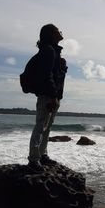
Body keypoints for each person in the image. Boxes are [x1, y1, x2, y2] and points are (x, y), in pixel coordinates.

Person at [28, 24, 67, 171]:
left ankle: (42, 155)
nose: (60, 31)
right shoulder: (49, 50)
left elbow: (56, 75)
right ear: (51, 34)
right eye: (57, 30)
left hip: (52, 95)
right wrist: (52, 96)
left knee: (46, 127)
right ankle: (33, 159)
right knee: (40, 126)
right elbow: (46, 75)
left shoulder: (54, 51)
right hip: (47, 95)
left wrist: (63, 67)